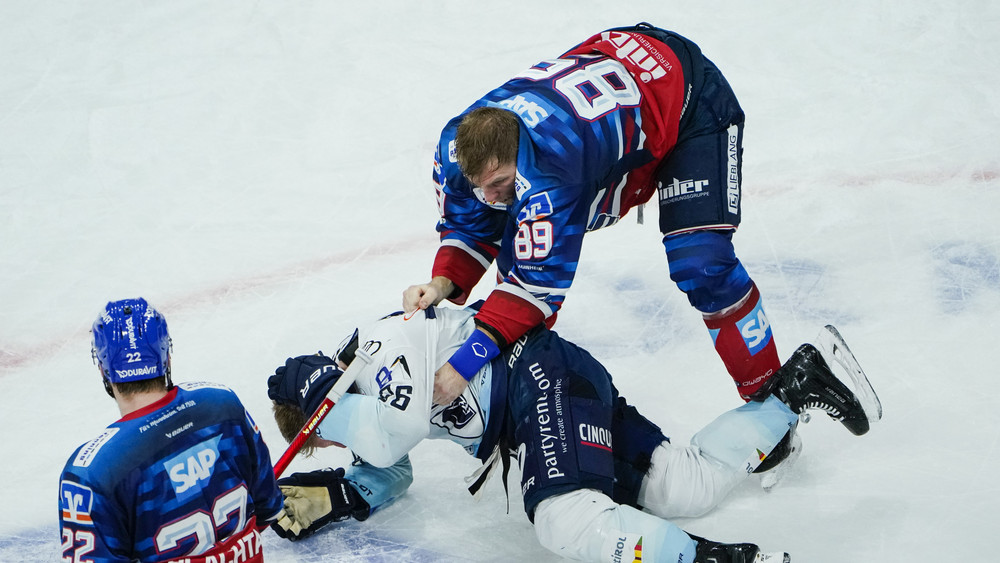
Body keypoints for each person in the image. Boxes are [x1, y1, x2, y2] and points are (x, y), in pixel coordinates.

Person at [265, 305, 876, 562]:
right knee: (682, 489)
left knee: (561, 516)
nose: (341, 443)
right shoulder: (367, 398)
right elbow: (392, 466)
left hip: (537, 378)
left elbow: (389, 433)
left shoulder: (377, 354)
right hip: (557, 380)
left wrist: (327, 410)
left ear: (325, 405)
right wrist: (344, 494)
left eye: (327, 432)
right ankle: (797, 386)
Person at [403, 23, 781, 411]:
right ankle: (508, 413)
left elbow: (534, 291)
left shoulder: (554, 169)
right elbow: (472, 223)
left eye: (500, 182)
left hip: (688, 100)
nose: (489, 196)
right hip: (622, 75)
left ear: (523, 158)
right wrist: (440, 284)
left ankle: (770, 396)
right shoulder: (454, 147)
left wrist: (459, 370)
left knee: (701, 263)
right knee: (513, 277)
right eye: (478, 184)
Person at [59, 298, 284, 563]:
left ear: (103, 369)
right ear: (167, 357)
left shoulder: (93, 472)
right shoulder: (223, 406)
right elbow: (268, 507)